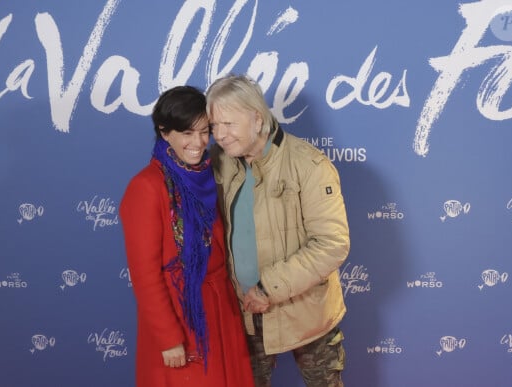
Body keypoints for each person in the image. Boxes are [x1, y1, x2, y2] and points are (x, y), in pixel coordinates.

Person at [206, 74, 350, 387]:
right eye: (214, 126)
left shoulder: (309, 165)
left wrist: (268, 288)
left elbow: (332, 244)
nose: (219, 135)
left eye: (228, 124)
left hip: (308, 313)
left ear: (257, 119)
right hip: (244, 312)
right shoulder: (220, 161)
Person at [119, 85, 255, 387]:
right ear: (165, 133)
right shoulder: (146, 187)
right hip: (182, 316)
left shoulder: (210, 174)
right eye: (187, 133)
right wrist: (169, 338)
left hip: (223, 310)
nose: (199, 143)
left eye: (204, 131)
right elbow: (145, 275)